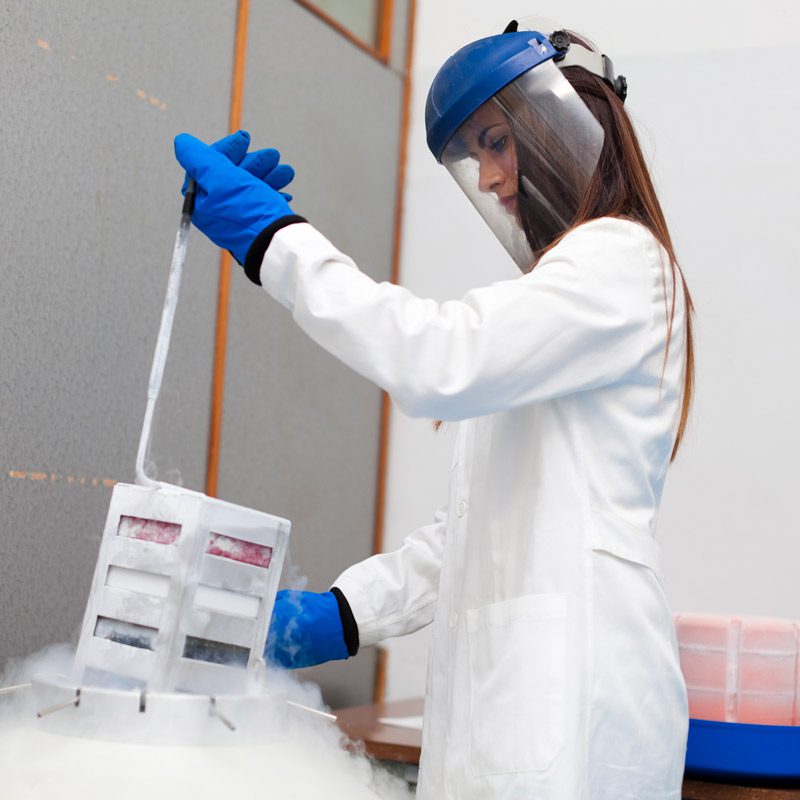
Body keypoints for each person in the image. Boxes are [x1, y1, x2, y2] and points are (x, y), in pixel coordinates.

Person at [174, 20, 694, 800]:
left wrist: (275, 240)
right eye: (475, 156)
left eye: (496, 142)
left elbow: (433, 360)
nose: (487, 179)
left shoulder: (620, 262)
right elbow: (477, 530)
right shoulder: (559, 305)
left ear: (560, 127)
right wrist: (345, 613)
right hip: (519, 709)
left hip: (576, 704)